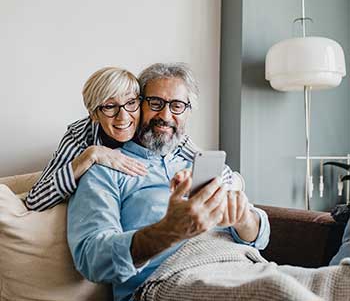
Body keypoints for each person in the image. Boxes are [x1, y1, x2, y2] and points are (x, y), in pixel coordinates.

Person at [67, 63, 270, 301]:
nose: (165, 116)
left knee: (321, 283)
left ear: (187, 112)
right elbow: (92, 259)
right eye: (155, 103)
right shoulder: (105, 170)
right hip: (167, 281)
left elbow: (261, 238)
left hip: (246, 265)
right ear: (138, 105)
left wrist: (242, 217)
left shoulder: (203, 164)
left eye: (176, 106)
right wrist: (166, 232)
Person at [25, 67, 148, 211]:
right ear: (93, 114)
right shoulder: (79, 135)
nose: (123, 116)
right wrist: (91, 154)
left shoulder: (152, 124)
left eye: (131, 102)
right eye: (109, 106)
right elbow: (35, 201)